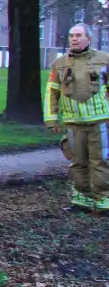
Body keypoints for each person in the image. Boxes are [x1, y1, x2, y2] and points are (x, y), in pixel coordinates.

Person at [44, 23, 109, 214]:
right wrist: (52, 119)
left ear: (89, 39)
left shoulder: (104, 60)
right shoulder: (59, 64)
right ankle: (82, 200)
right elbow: (51, 93)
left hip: (100, 122)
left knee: (101, 160)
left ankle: (104, 199)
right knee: (77, 162)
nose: (74, 39)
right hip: (73, 123)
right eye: (71, 35)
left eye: (78, 35)